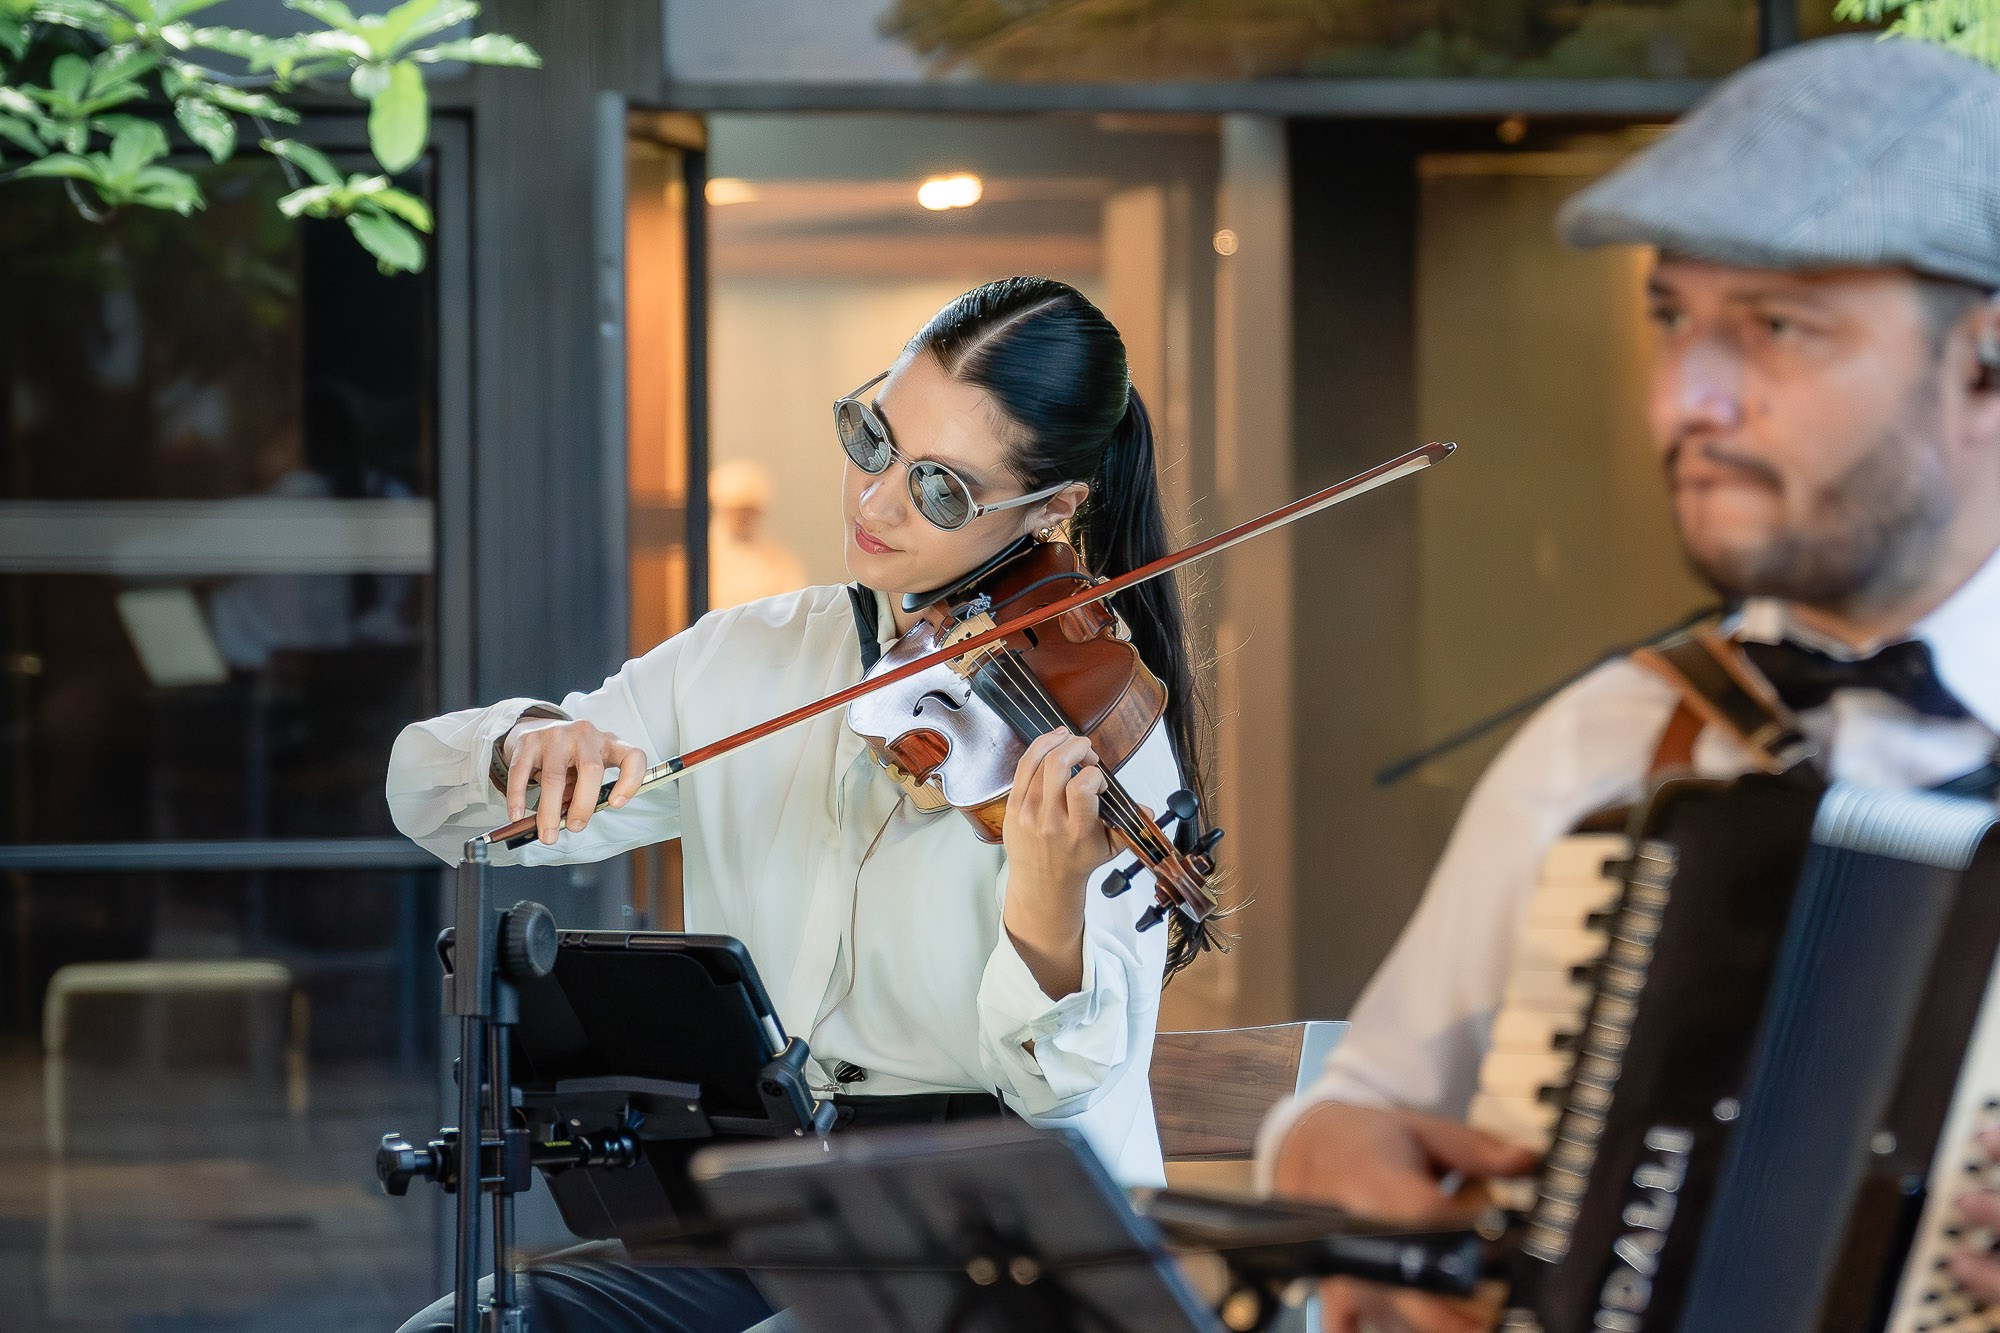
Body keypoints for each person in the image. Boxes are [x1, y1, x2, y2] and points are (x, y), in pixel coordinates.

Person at [1259, 34, 2000, 1332]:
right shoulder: (1616, 736)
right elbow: (1361, 1105)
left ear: (1984, 365)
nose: (1686, 399)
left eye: (1778, 328)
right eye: (1673, 321)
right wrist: (1326, 1160)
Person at [386, 276, 1211, 1332]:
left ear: (1054, 509)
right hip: (774, 1219)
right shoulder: (747, 656)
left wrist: (1046, 915)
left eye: (941, 491)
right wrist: (522, 746)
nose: (874, 503)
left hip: (1005, 1245)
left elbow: (1066, 1089)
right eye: (873, 442)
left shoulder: (1103, 735)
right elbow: (429, 795)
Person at [705, 458, 806, 610]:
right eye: (737, 511)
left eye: (750, 511)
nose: (743, 518)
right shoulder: (703, 557)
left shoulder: (778, 561)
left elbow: (794, 607)